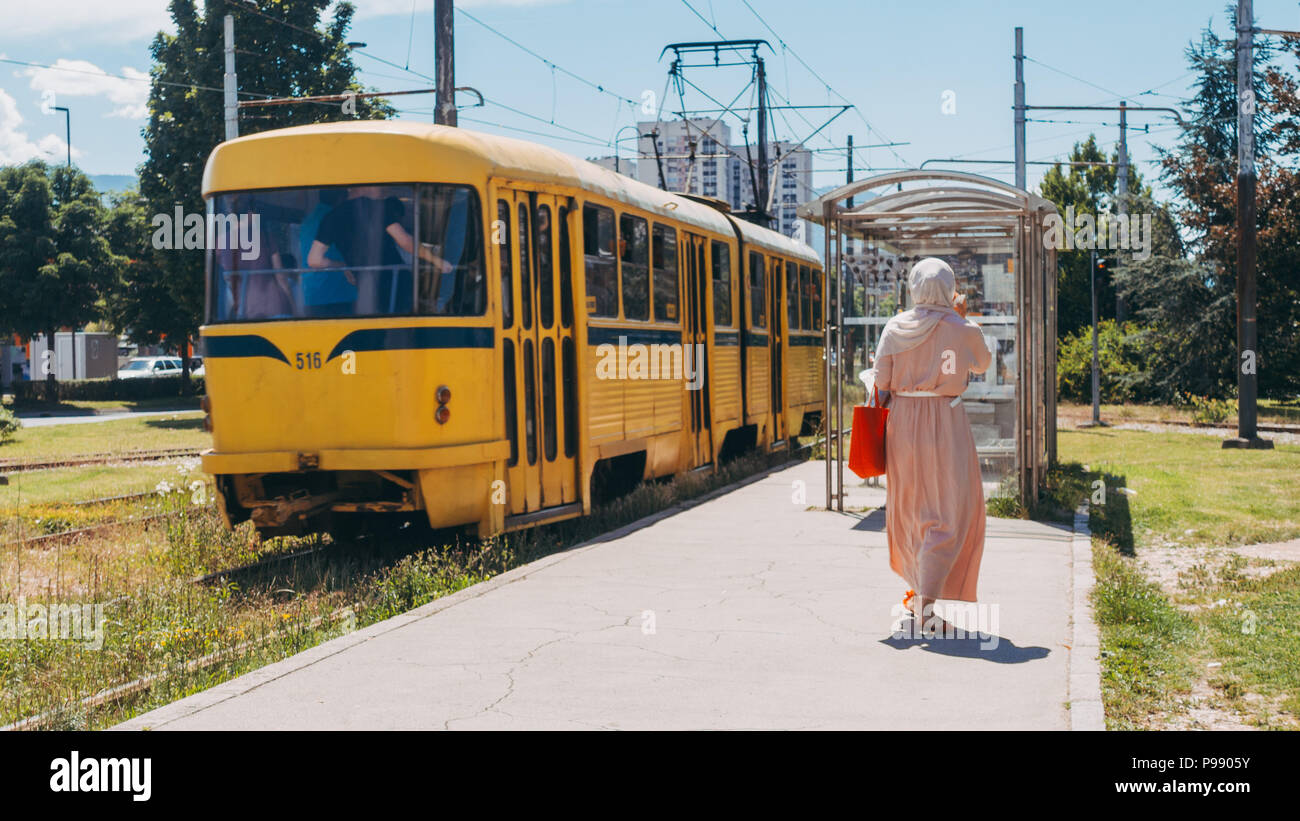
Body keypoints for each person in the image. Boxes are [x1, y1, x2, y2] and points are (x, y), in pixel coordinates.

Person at [871, 257, 992, 637]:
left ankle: (918, 592)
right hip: (945, 421)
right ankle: (925, 603)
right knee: (950, 509)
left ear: (914, 287)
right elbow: (983, 364)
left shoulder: (894, 328)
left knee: (909, 505)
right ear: (950, 287)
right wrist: (961, 318)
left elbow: (881, 382)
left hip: (902, 422)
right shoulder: (963, 328)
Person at [307, 186, 452, 315]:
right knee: (405, 329)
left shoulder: (331, 217)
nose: (383, 191)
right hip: (397, 282)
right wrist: (437, 261)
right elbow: (405, 241)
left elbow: (314, 260)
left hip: (366, 289)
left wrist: (345, 266)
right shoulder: (378, 207)